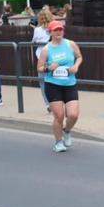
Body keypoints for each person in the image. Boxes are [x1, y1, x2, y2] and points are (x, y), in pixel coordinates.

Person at [36, 20, 82, 153]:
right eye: (55, 30)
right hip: (53, 85)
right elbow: (39, 67)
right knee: (59, 115)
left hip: (70, 83)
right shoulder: (46, 49)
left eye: (60, 30)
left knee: (73, 115)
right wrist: (48, 68)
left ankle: (66, 131)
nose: (58, 32)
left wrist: (75, 66)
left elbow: (79, 57)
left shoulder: (70, 44)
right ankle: (58, 142)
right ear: (50, 32)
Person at [32, 8, 53, 112]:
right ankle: (56, 101)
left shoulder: (37, 30)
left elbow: (34, 41)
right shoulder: (53, 29)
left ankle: (48, 104)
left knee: (43, 82)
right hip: (53, 57)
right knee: (55, 80)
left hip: (41, 58)